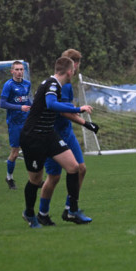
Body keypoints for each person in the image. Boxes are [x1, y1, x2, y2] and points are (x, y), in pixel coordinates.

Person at [19, 56, 98, 228]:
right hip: (33, 137)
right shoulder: (52, 84)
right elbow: (52, 104)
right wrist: (79, 109)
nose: (74, 73)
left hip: (48, 134)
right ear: (70, 72)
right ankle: (30, 214)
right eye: (74, 71)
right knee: (35, 180)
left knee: (74, 167)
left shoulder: (57, 86)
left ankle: (72, 210)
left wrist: (85, 122)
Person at [38, 48, 93, 225]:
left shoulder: (65, 83)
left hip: (67, 133)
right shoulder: (63, 85)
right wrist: (83, 119)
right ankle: (42, 213)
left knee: (80, 169)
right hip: (54, 134)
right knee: (53, 177)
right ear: (74, 65)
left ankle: (71, 209)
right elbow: (63, 111)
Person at [0, 60, 31, 190]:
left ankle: (34, 179)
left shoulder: (27, 84)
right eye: (16, 69)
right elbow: (2, 104)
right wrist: (19, 108)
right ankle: (9, 177)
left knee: (31, 151)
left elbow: (27, 100)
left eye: (21, 69)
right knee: (15, 153)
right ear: (12, 71)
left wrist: (34, 108)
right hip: (14, 123)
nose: (19, 72)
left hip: (27, 122)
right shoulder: (8, 85)